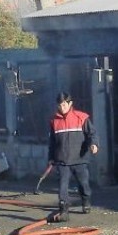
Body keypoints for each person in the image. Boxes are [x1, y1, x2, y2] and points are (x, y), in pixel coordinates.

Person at [47, 92, 99, 222]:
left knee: (83, 184)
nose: (62, 107)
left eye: (64, 104)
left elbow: (91, 134)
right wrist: (51, 158)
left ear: (70, 103)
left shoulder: (82, 117)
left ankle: (86, 201)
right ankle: (64, 209)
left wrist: (93, 144)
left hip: (79, 159)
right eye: (59, 104)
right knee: (62, 185)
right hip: (62, 160)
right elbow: (52, 142)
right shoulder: (54, 121)